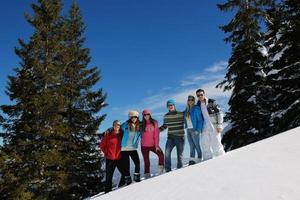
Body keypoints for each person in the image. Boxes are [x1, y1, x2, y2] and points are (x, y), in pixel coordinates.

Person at [196, 89, 225, 160]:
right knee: (205, 144)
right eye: (198, 95)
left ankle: (222, 158)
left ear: (204, 94)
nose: (200, 96)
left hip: (213, 125)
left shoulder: (212, 102)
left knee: (216, 143)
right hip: (204, 126)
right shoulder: (198, 105)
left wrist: (219, 125)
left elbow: (220, 113)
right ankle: (207, 160)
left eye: (201, 95)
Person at [100, 120, 126, 193]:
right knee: (109, 178)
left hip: (119, 158)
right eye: (115, 124)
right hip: (110, 159)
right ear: (113, 125)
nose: (117, 126)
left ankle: (120, 189)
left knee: (124, 174)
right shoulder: (108, 134)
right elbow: (102, 146)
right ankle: (107, 193)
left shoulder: (122, 134)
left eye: (118, 125)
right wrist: (107, 153)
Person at [159, 99, 185, 172]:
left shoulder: (181, 114)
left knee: (179, 155)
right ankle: (168, 169)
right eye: (169, 105)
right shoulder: (166, 116)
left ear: (174, 105)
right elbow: (165, 126)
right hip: (171, 137)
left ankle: (179, 170)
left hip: (180, 137)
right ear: (167, 107)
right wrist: (157, 130)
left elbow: (187, 121)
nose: (170, 106)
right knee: (167, 152)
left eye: (171, 105)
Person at [119, 110, 142, 186]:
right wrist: (108, 130)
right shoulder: (125, 125)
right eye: (132, 117)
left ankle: (136, 178)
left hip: (133, 148)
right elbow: (116, 128)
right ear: (130, 117)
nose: (134, 118)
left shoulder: (139, 125)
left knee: (137, 163)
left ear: (137, 117)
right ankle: (128, 180)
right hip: (124, 149)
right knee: (126, 166)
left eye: (135, 117)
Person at [141, 109, 164, 178]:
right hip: (144, 146)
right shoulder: (141, 124)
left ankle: (160, 171)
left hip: (153, 145)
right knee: (146, 162)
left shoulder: (154, 122)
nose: (146, 116)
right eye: (144, 115)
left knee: (161, 155)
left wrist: (157, 145)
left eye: (147, 114)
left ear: (150, 115)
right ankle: (147, 176)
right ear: (143, 116)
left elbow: (156, 135)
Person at [184, 95, 204, 165]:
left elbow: (200, 120)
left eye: (192, 100)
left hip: (195, 129)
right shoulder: (186, 110)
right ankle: (192, 159)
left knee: (197, 145)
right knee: (191, 145)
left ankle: (199, 157)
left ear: (194, 101)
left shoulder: (196, 108)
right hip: (188, 129)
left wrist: (198, 130)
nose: (190, 101)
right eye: (189, 100)